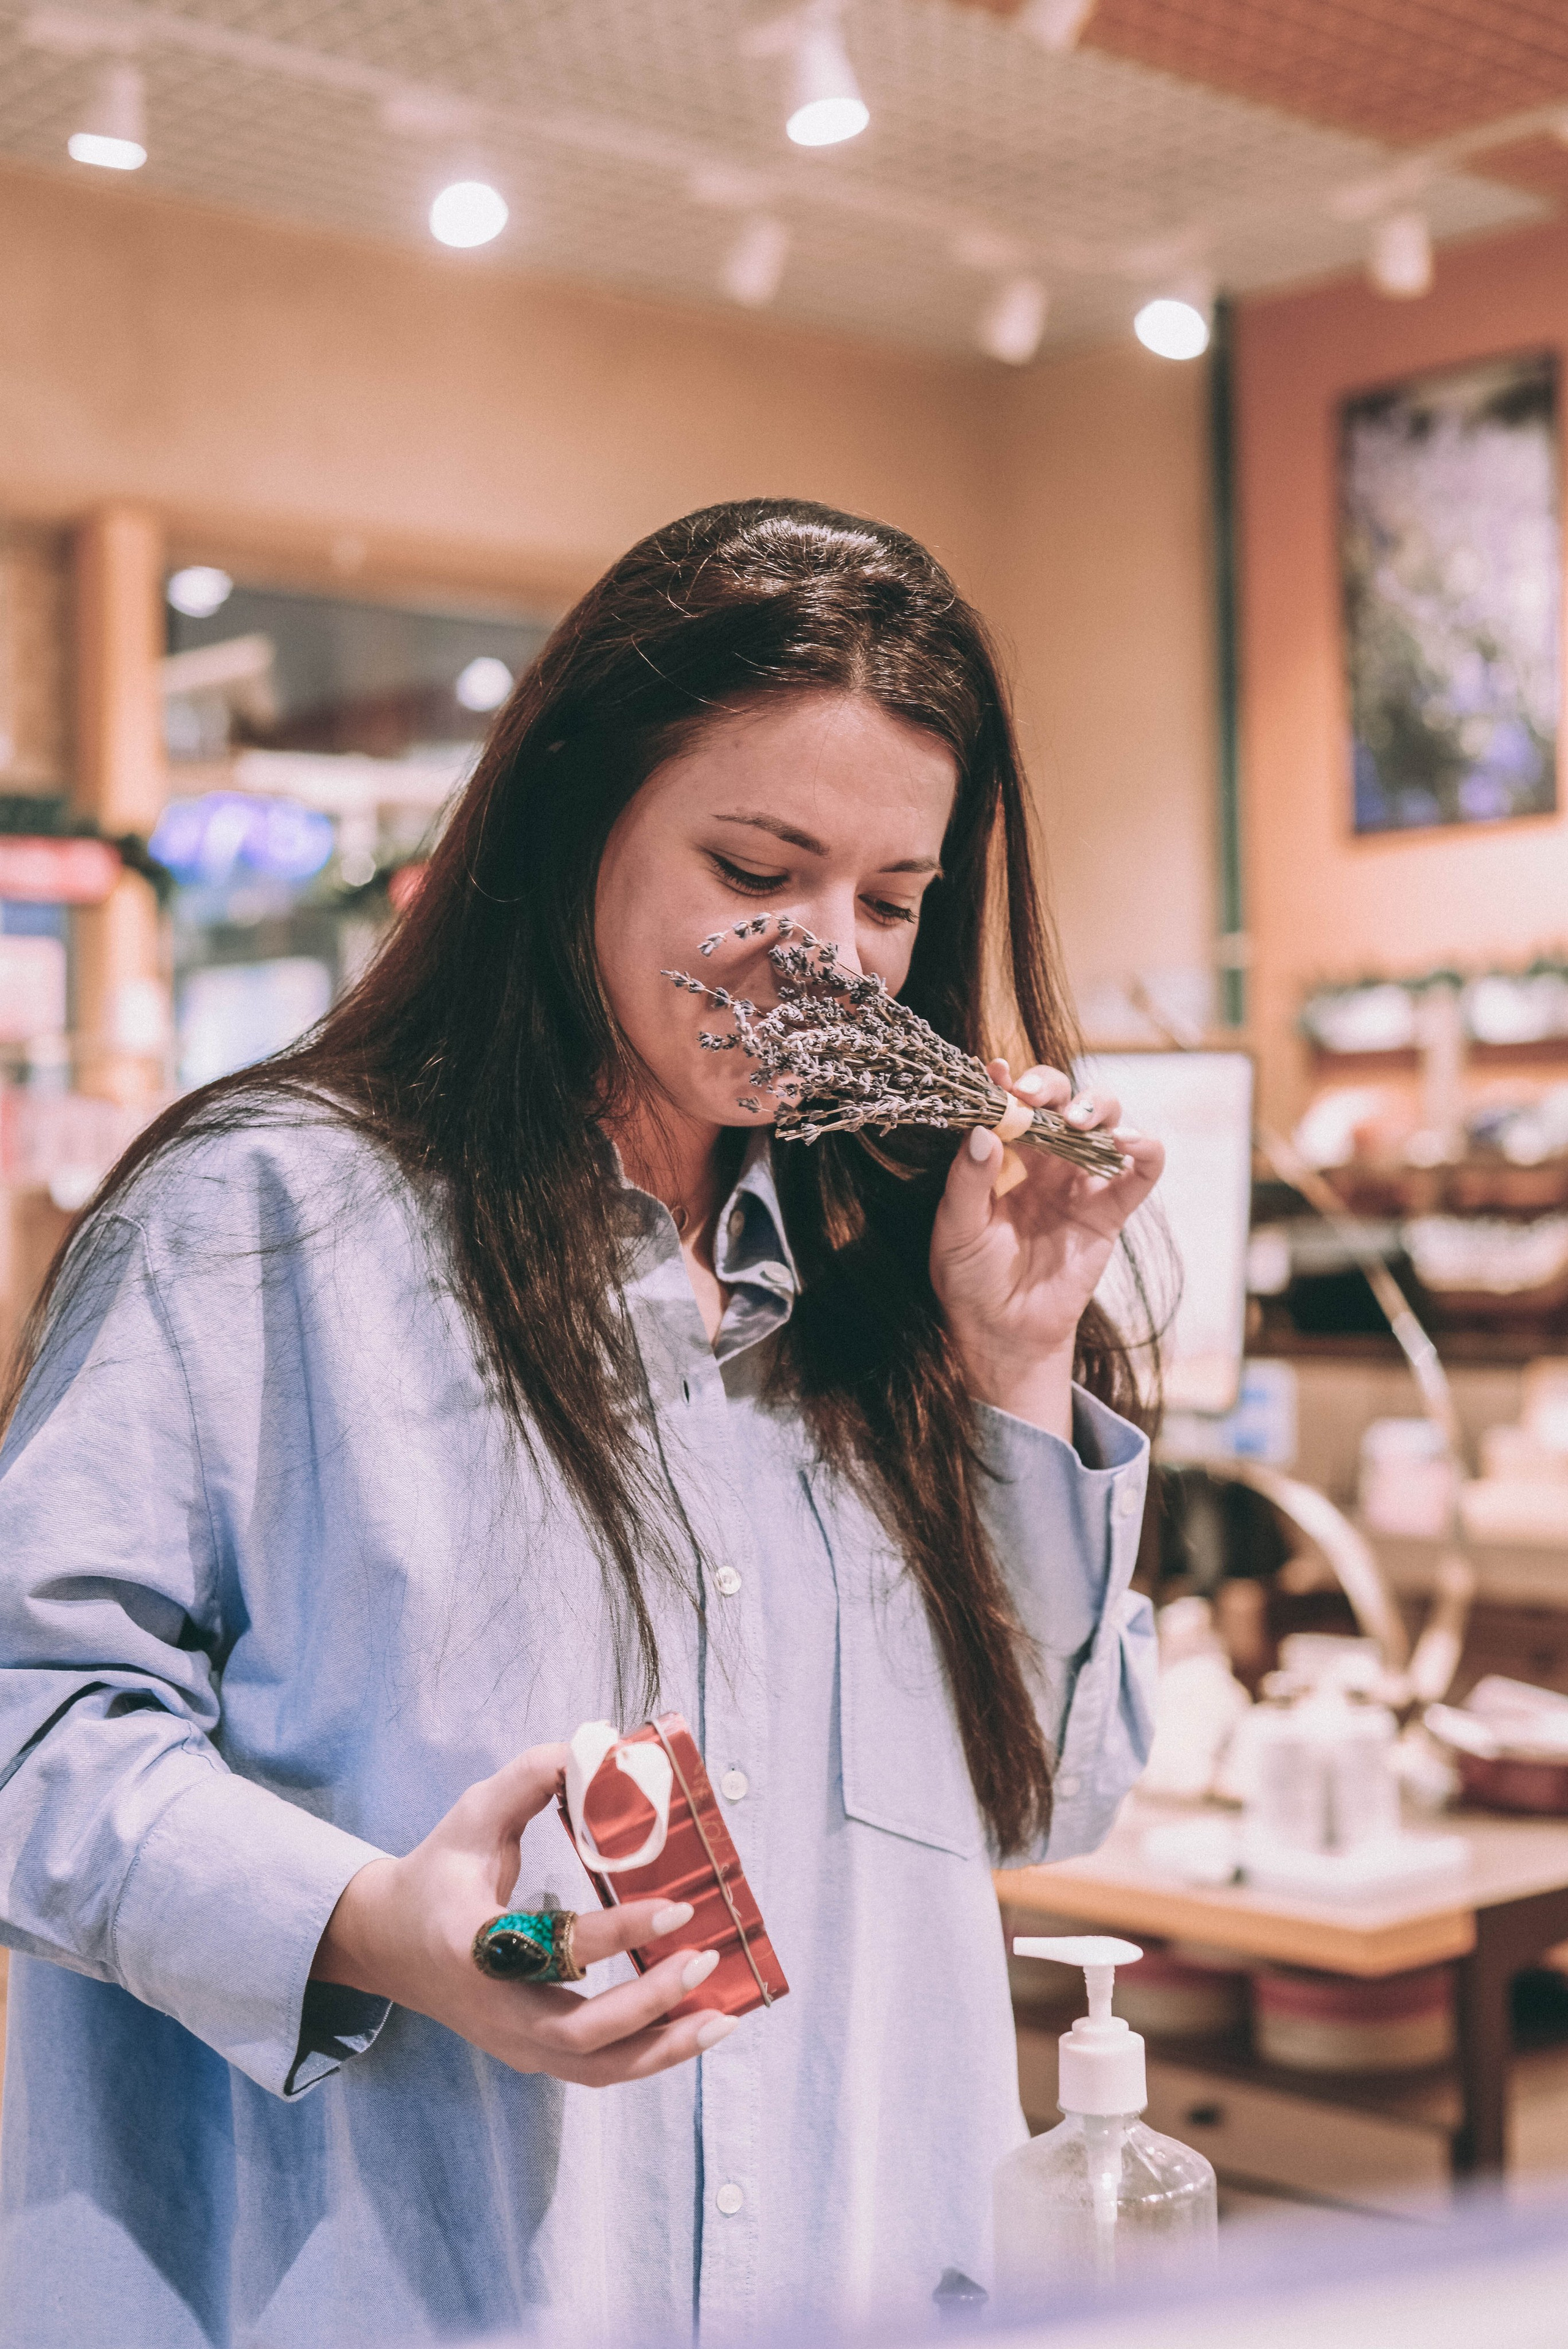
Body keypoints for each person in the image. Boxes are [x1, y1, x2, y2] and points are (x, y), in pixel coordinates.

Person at [0, 499, 1162, 2346]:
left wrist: (1015, 1371)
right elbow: (31, 1721)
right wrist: (372, 1920)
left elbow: (1057, 1796)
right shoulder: (267, 1226)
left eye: (890, 898)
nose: (829, 956)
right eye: (756, 866)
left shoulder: (892, 1279)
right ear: (576, 818)